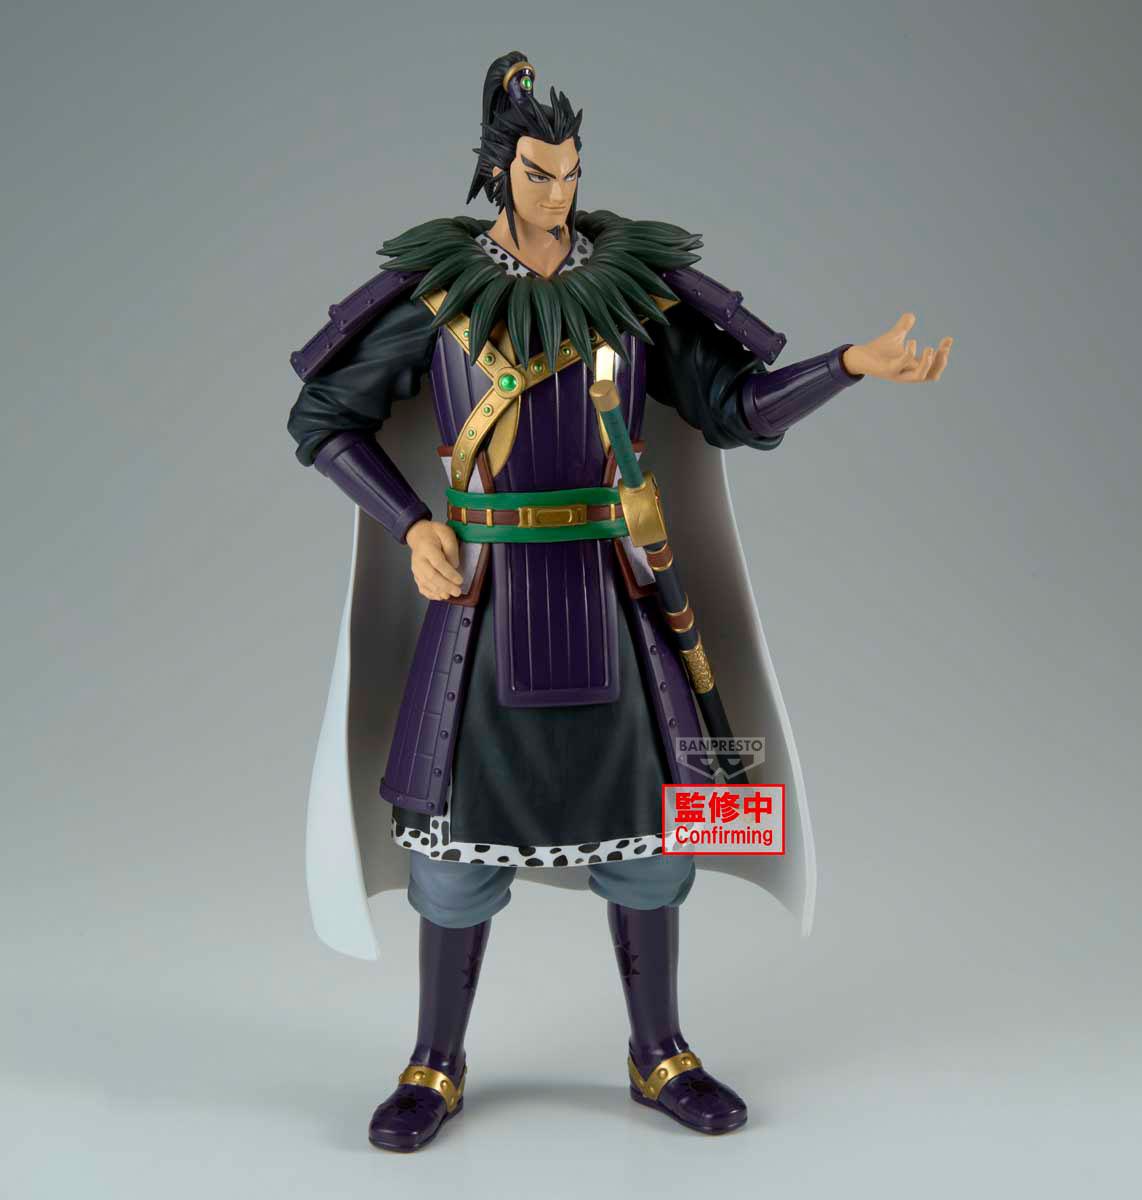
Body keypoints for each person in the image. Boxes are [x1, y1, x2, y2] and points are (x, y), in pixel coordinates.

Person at [286, 50, 952, 1152]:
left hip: (610, 593)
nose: (559, 193)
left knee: (652, 841)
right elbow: (322, 420)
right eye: (537, 173)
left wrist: (849, 365)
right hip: (484, 602)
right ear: (497, 172)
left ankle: (660, 1053)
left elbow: (734, 408)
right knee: (451, 854)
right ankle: (435, 1060)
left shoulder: (635, 290)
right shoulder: (440, 295)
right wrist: (410, 523)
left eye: (571, 172)